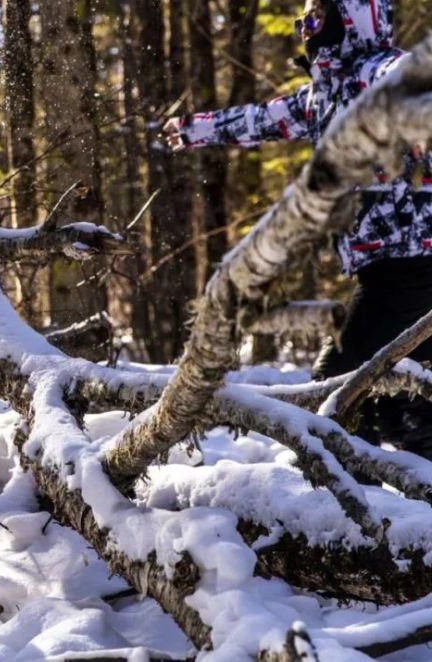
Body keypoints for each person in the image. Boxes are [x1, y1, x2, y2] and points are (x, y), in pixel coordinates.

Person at [163, 0, 432, 456]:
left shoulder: (382, 72)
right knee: (391, 399)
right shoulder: (322, 96)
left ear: (349, 21)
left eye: (315, 18)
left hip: (413, 261)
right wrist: (192, 130)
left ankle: (348, 498)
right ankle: (399, 492)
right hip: (385, 268)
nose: (304, 28)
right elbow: (260, 120)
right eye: (303, 19)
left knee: (338, 388)